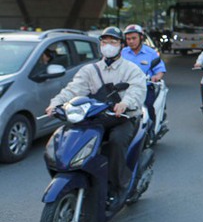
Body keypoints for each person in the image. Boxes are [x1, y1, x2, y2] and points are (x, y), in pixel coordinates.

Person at [46, 26, 146, 210]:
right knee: (70, 137)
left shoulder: (131, 69)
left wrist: (126, 102)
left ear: (121, 45)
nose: (108, 46)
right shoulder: (89, 70)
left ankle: (118, 187)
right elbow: (73, 89)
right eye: (105, 42)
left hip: (123, 118)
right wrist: (56, 104)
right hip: (96, 118)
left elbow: (137, 90)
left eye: (113, 42)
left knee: (116, 142)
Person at [121, 24, 166, 134]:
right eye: (128, 39)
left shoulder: (151, 53)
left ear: (141, 37)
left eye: (134, 38)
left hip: (145, 88)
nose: (131, 41)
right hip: (124, 88)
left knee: (148, 106)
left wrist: (156, 77)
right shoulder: (122, 53)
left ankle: (151, 131)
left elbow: (160, 70)